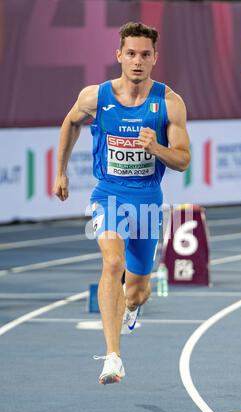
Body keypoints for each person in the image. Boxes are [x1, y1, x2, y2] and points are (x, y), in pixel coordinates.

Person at [53, 22, 191, 385]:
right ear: (119, 56)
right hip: (109, 194)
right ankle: (113, 357)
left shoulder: (169, 102)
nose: (137, 61)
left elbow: (183, 160)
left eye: (145, 54)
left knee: (138, 290)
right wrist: (61, 172)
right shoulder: (96, 97)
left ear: (155, 58)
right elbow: (70, 123)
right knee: (112, 262)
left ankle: (131, 307)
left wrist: (155, 148)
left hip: (147, 202)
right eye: (131, 53)